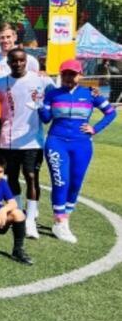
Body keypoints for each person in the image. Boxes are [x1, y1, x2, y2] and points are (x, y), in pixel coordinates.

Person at [40, 59, 116, 243]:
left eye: (72, 74)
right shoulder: (52, 93)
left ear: (80, 75)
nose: (68, 77)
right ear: (60, 75)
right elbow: (45, 119)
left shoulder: (90, 93)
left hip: (82, 144)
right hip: (56, 142)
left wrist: (95, 129)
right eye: (65, 73)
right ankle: (60, 222)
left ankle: (65, 219)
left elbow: (111, 112)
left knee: (75, 183)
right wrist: (40, 104)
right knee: (60, 181)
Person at [0, 48, 53, 238]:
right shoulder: (0, 84)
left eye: (21, 60)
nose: (18, 64)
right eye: (14, 61)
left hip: (32, 140)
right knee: (11, 178)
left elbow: (59, 92)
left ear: (26, 61)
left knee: (31, 176)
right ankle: (18, 213)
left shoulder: (41, 80)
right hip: (7, 140)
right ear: (8, 62)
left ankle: (31, 220)